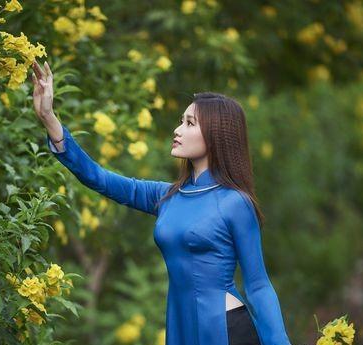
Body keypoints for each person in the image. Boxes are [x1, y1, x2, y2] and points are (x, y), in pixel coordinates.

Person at [30, 59, 292, 345]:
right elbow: (100, 178)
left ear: (216, 135)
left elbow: (258, 285)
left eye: (189, 123)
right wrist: (49, 119)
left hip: (224, 329)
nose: (177, 130)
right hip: (180, 327)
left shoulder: (235, 203)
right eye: (181, 120)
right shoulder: (167, 196)